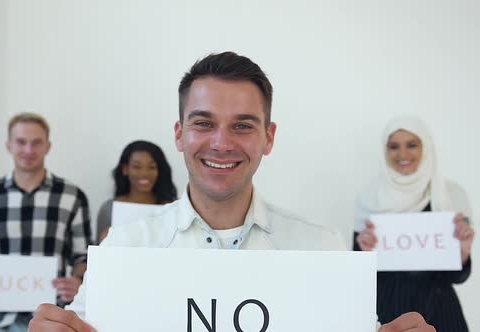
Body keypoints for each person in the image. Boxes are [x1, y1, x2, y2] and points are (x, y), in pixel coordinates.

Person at [28, 52, 435, 332]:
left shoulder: (322, 248)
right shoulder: (125, 246)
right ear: (179, 134)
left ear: (268, 137)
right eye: (203, 123)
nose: (221, 143)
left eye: (242, 125)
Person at [0, 112, 92, 331]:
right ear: (9, 145)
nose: (28, 150)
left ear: (48, 147)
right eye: (21, 142)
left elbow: (83, 256)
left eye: (36, 143)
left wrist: (79, 281)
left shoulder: (72, 197)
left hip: (53, 320)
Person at [354, 115, 475, 331]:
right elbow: (360, 275)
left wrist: (463, 254)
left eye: (412, 145)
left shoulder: (451, 196)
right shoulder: (369, 199)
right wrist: (365, 253)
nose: (402, 154)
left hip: (439, 308)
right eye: (394, 146)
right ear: (385, 151)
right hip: (387, 309)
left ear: (426, 148)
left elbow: (458, 275)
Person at [96, 140, 177, 243]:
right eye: (136, 167)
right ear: (125, 169)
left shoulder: (173, 209)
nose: (144, 173)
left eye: (152, 167)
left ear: (159, 171)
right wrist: (103, 242)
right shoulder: (108, 209)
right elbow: (96, 255)